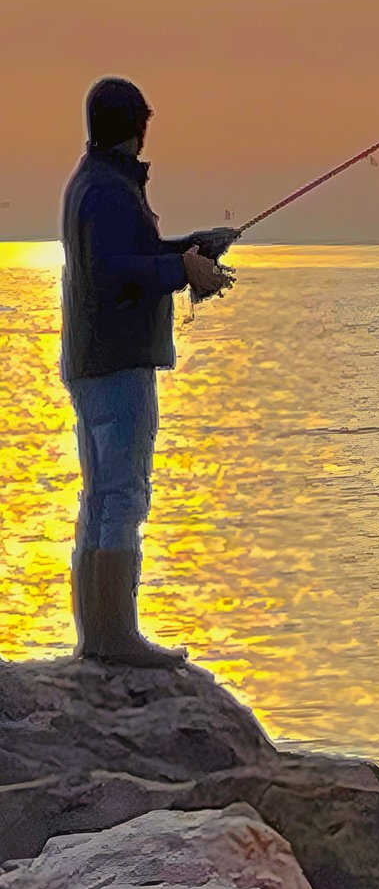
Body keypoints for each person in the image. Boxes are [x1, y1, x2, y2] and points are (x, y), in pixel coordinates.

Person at [60, 77, 237, 667]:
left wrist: (192, 248)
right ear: (137, 126)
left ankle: (98, 637)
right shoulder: (108, 191)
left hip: (95, 361)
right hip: (117, 362)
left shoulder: (96, 183)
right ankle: (115, 638)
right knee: (123, 493)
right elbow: (114, 274)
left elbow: (131, 258)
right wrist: (181, 269)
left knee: (102, 494)